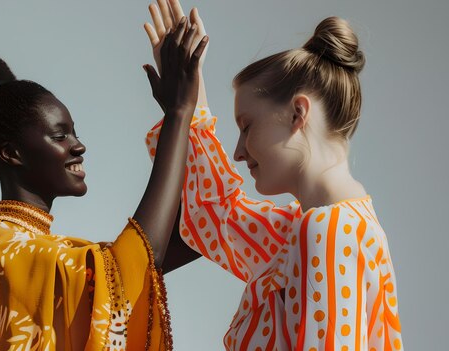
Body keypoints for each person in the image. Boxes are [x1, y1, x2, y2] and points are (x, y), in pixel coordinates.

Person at [143, 2, 403, 350]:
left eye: (246, 126)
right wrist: (189, 99)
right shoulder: (307, 229)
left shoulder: (328, 231)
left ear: (298, 113)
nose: (238, 152)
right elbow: (219, 217)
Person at [0, 17, 207, 351]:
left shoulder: (49, 253)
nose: (78, 145)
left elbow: (193, 237)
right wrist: (179, 114)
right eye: (60, 135)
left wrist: (195, 110)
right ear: (12, 153)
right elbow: (128, 265)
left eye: (74, 132)